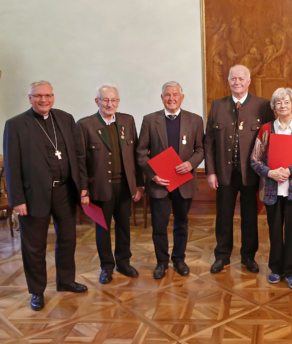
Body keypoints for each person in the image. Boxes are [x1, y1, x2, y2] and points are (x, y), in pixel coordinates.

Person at [3, 81, 87, 311]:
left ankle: (66, 280)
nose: (43, 100)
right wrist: (17, 199)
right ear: (29, 98)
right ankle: (37, 291)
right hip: (33, 195)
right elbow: (11, 166)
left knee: (68, 239)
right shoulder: (16, 125)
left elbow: (78, 156)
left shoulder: (66, 119)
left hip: (64, 191)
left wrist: (83, 186)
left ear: (53, 97)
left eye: (48, 95)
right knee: (34, 246)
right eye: (38, 96)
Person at [204, 64, 274, 274]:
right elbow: (209, 142)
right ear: (228, 81)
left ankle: (248, 257)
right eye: (233, 78)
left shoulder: (262, 106)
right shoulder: (217, 106)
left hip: (250, 173)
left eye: (241, 78)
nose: (237, 82)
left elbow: (270, 140)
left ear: (249, 81)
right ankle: (222, 255)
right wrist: (211, 171)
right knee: (223, 216)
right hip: (224, 173)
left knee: (250, 217)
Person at [77, 84, 144, 285]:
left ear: (118, 102)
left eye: (114, 100)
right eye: (105, 100)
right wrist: (84, 190)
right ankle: (106, 266)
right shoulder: (85, 125)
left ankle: (123, 262)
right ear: (96, 101)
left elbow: (136, 154)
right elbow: (80, 159)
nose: (109, 104)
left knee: (124, 226)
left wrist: (138, 185)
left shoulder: (127, 121)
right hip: (99, 188)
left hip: (124, 187)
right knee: (102, 229)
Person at [250, 87, 292, 289]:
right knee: (275, 230)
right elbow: (254, 159)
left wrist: (289, 171)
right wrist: (270, 173)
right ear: (273, 107)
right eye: (278, 102)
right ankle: (275, 268)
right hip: (272, 190)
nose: (282, 106)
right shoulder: (267, 129)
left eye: (286, 102)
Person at [137, 81, 204, 278]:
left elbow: (201, 149)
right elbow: (141, 152)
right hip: (160, 184)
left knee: (181, 224)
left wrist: (191, 164)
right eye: (167, 95)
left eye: (175, 94)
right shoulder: (150, 120)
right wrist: (152, 175)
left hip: (184, 182)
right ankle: (162, 262)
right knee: (159, 226)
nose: (171, 98)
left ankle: (179, 259)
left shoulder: (195, 120)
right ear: (162, 98)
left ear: (182, 97)